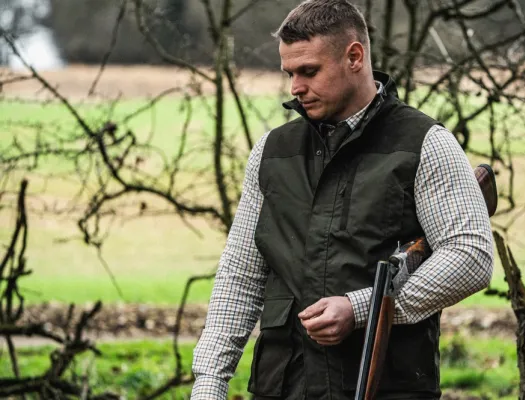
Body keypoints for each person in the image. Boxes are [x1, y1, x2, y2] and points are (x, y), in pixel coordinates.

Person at [191, 1, 493, 399]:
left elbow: (471, 257)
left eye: (309, 71)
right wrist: (209, 383)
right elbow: (240, 275)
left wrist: (360, 309)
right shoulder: (272, 152)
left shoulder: (425, 143)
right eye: (290, 73)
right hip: (284, 388)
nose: (295, 87)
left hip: (385, 389)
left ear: (354, 57)